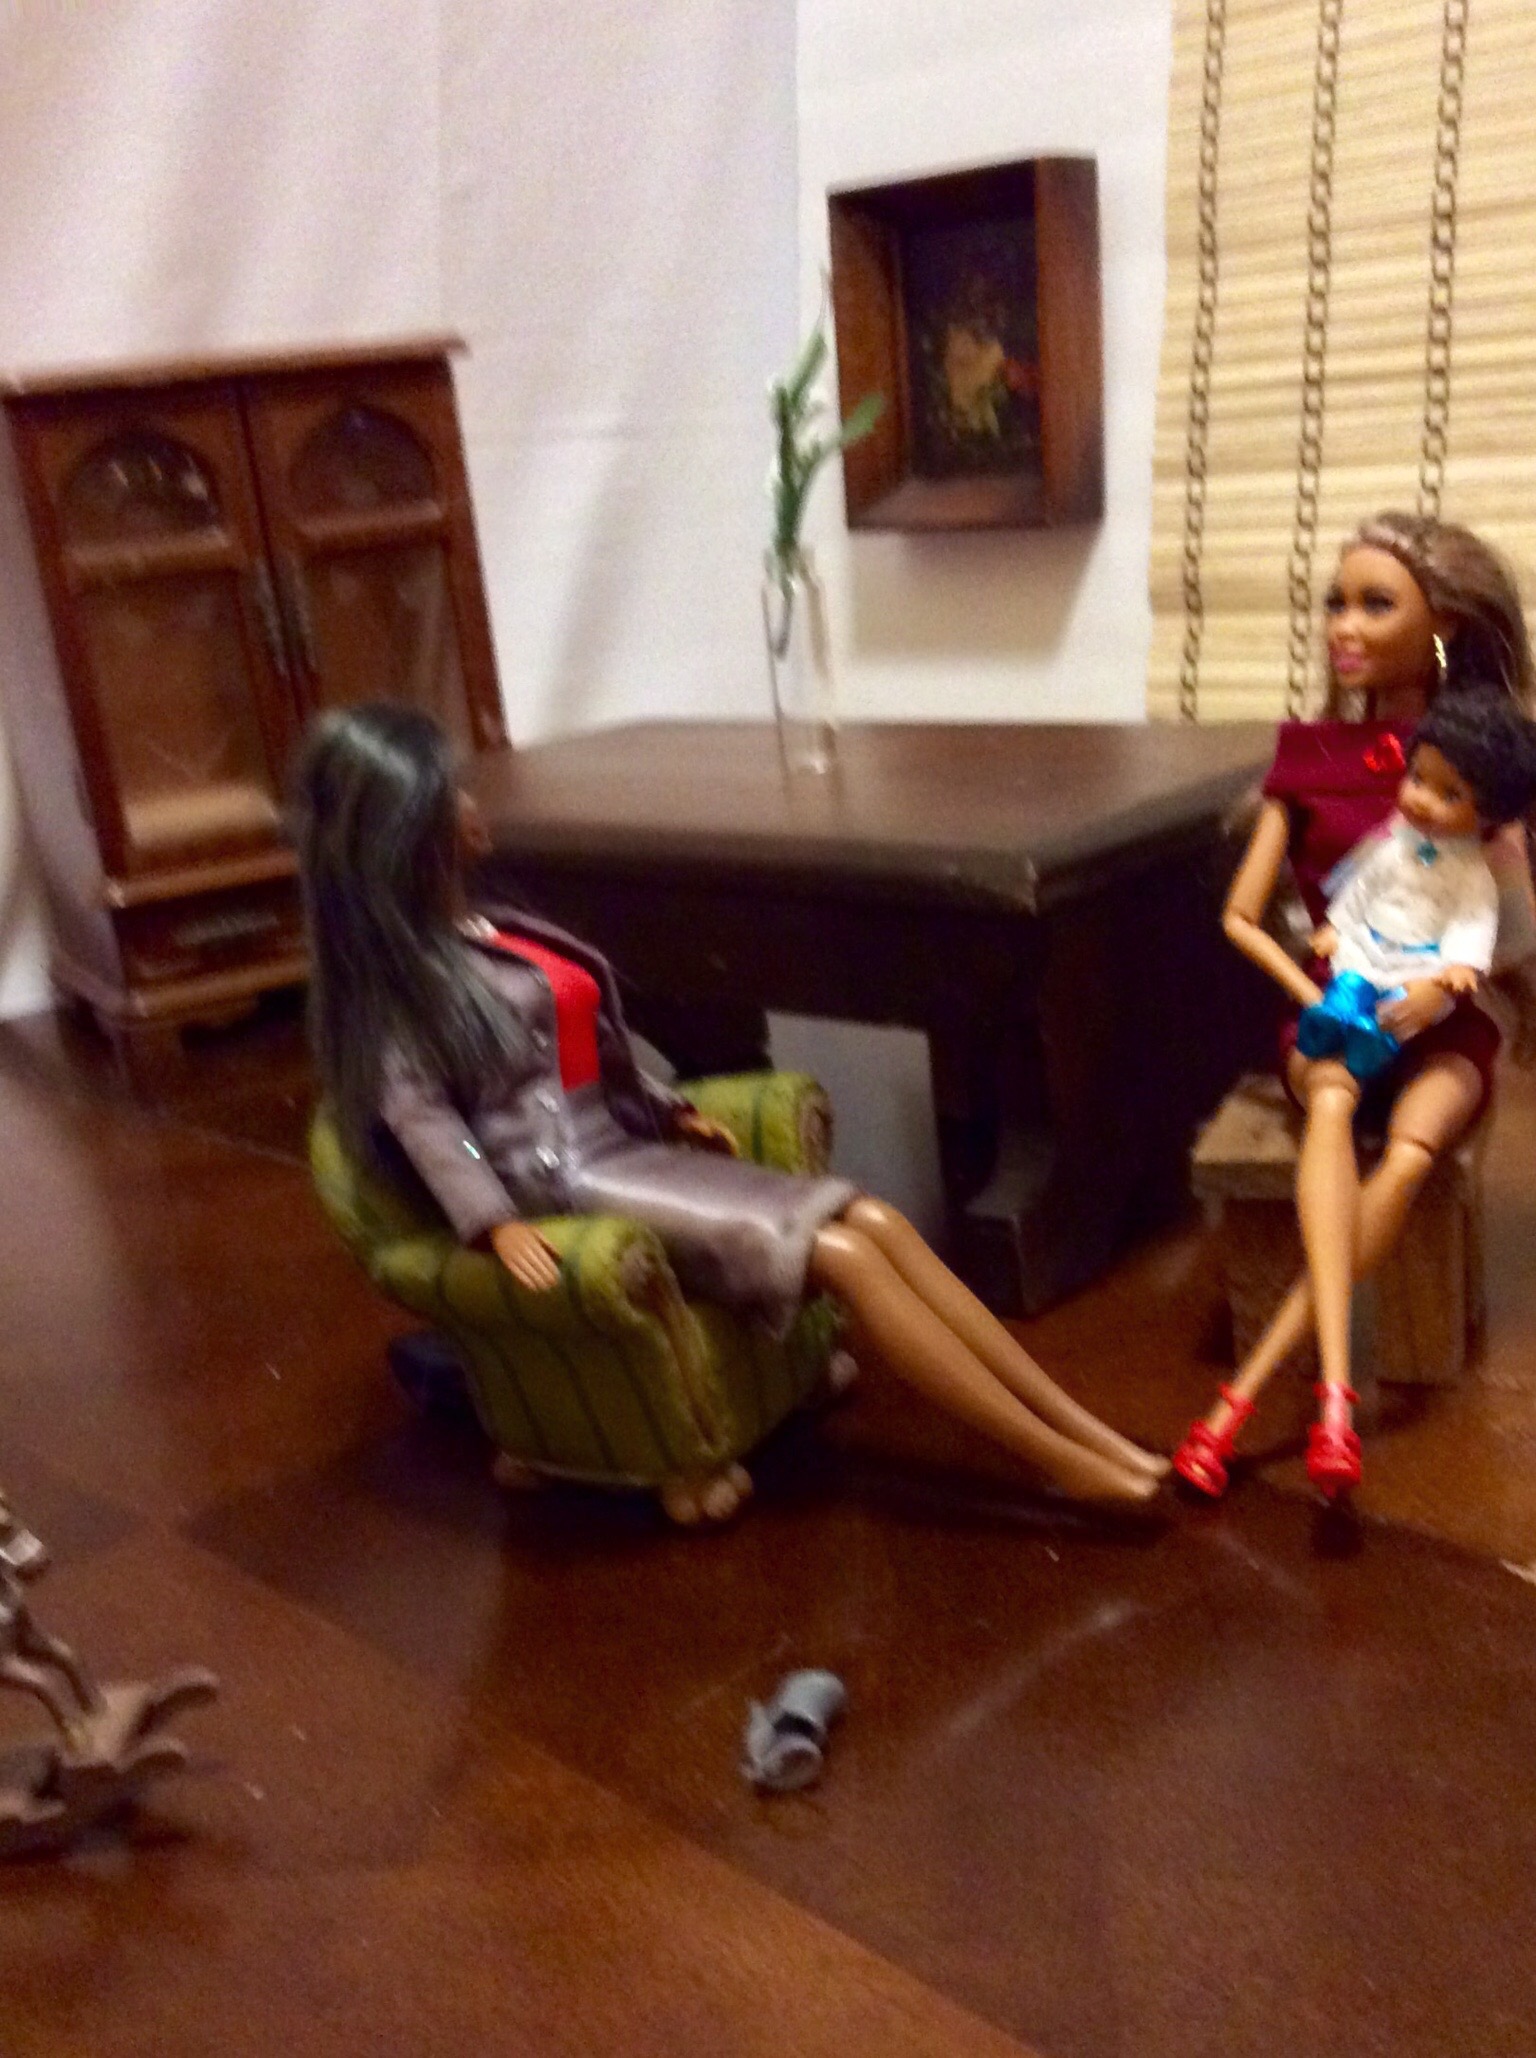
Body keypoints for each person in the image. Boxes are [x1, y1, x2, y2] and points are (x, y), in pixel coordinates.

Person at [294, 703, 1166, 1523]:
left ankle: (1080, 1428)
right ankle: (1054, 1462)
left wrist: (668, 1111)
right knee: (845, 1258)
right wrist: (491, 1220)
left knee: (877, 1221)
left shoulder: (493, 933)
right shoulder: (402, 993)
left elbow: (586, 1053)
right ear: (408, 832)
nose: (471, 807)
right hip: (564, 1182)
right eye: (449, 797)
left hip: (621, 1149)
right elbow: (424, 1122)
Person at [1173, 511, 1536, 1500]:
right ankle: (1336, 1388)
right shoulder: (1308, 757)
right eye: (1336, 601)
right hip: (1337, 1002)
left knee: (1415, 1148)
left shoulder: (1479, 756)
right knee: (1330, 1093)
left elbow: (1505, 933)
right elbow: (1246, 914)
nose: (1344, 624)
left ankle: (1255, 1397)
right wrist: (1323, 992)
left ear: (1444, 624)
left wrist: (1444, 987)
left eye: (1376, 604)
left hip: (1438, 1017)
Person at [1295, 691, 1536, 1081]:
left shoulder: (1472, 873)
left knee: (1402, 1009)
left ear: (1489, 812)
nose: (1422, 801)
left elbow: (1473, 919)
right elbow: (1363, 888)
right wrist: (1337, 927)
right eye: (1417, 779)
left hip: (1420, 964)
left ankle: (1374, 1044)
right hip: (1370, 942)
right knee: (1349, 982)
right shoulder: (1394, 845)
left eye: (1450, 795)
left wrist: (1462, 962)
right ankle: (1332, 1023)